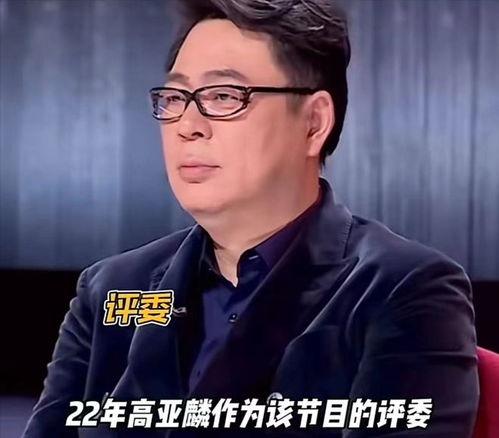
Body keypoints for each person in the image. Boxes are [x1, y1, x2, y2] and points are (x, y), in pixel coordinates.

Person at [23, 0, 479, 437]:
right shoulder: (109, 288)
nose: (187, 125)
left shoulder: (404, 289)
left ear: (314, 123)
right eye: (175, 97)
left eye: (224, 96)